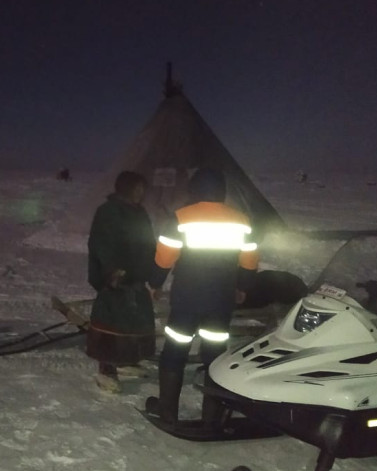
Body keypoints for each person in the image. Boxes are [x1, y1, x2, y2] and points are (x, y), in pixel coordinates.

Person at [146, 167, 259, 426]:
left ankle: (167, 413)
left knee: (175, 352)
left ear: (195, 190)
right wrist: (243, 287)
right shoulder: (242, 220)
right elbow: (250, 262)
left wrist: (155, 284)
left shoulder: (181, 218)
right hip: (221, 300)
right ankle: (212, 418)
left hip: (187, 297)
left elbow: (163, 258)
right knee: (215, 356)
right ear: (222, 192)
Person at [86, 171, 157, 392]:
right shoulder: (108, 212)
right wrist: (111, 270)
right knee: (111, 322)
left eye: (142, 189)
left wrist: (154, 274)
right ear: (124, 188)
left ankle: (128, 360)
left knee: (136, 320)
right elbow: (102, 242)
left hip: (137, 275)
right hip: (115, 278)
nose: (140, 193)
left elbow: (148, 243)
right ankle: (106, 369)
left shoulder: (139, 212)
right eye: (136, 188)